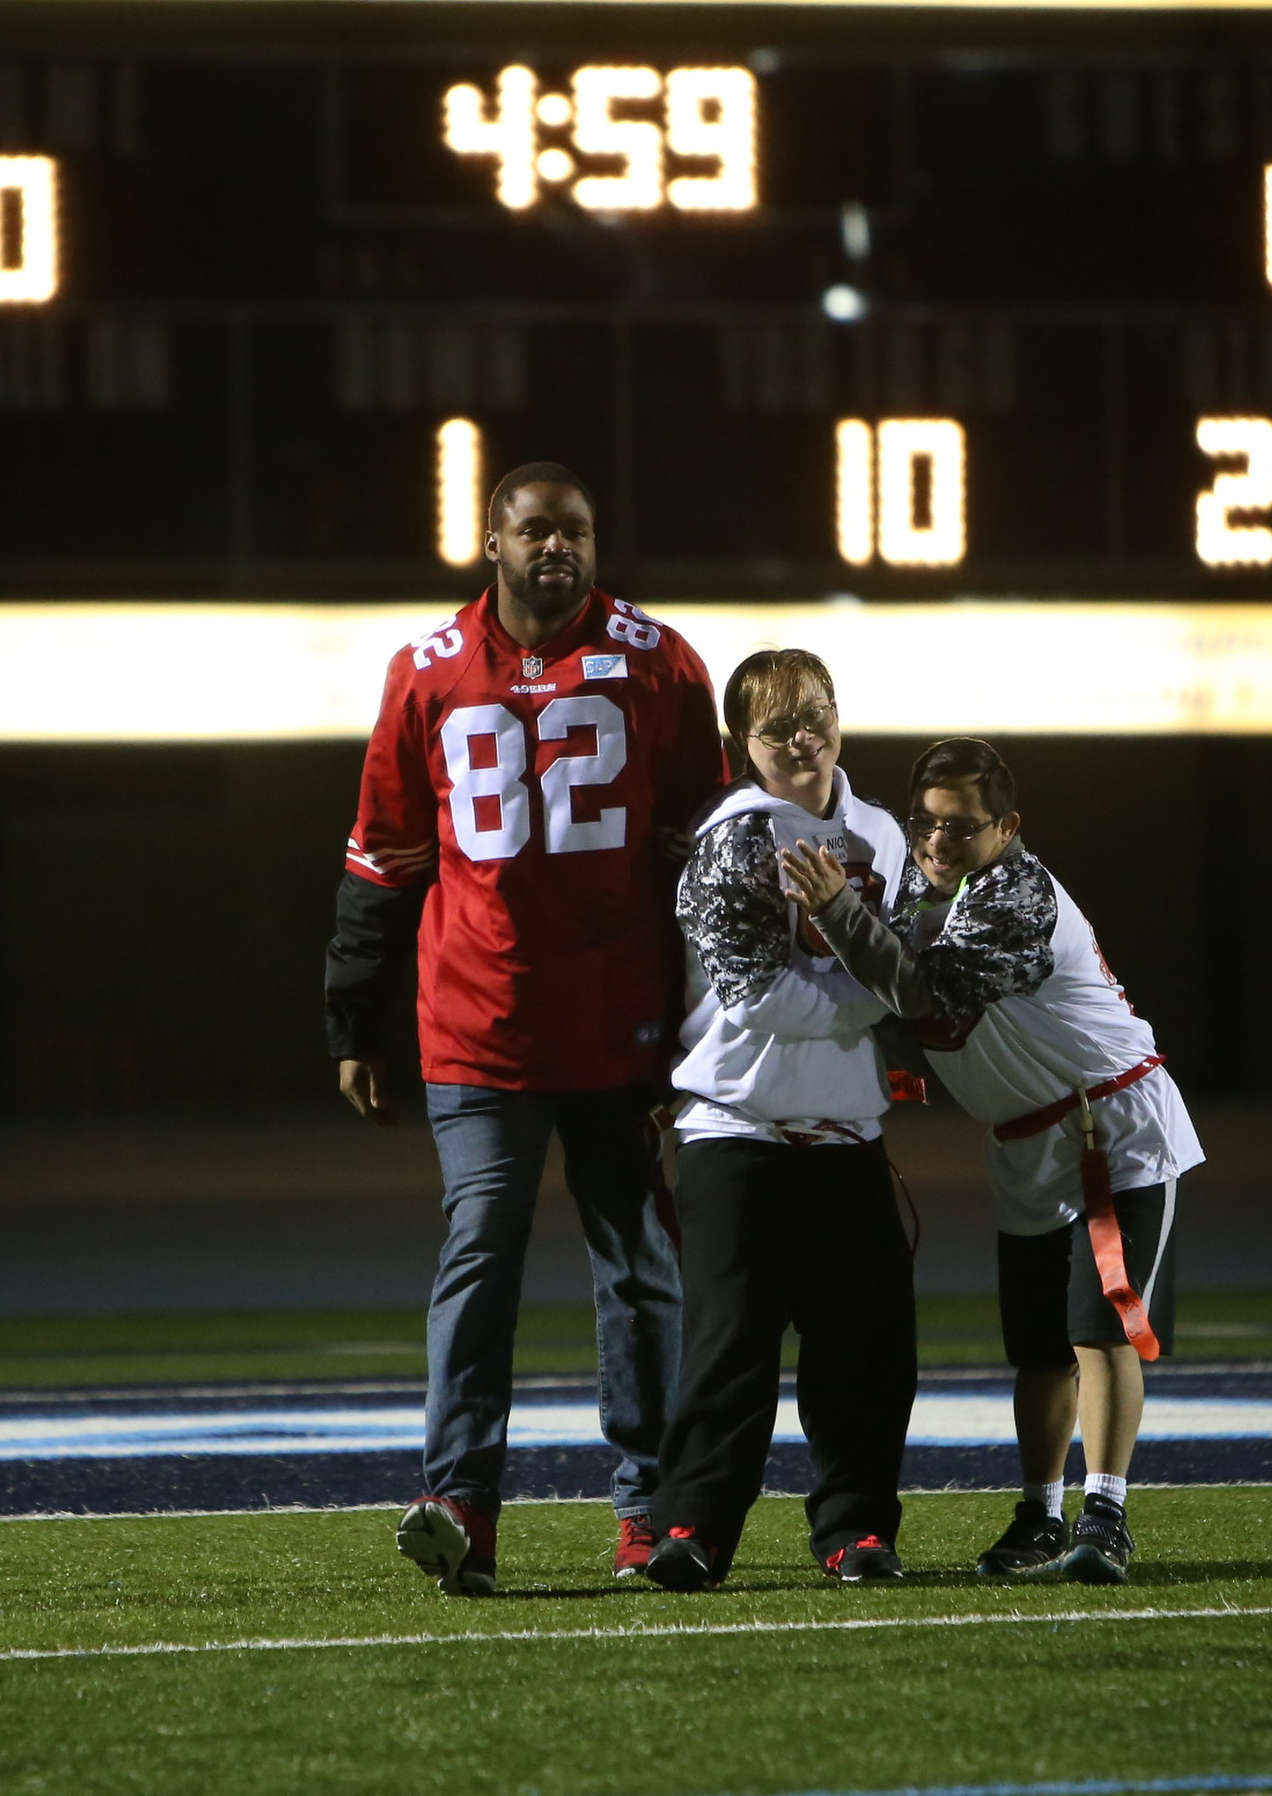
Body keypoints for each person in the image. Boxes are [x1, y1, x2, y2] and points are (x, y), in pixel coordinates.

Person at [326, 461, 727, 1597]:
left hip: (621, 1020)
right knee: (479, 1258)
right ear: (491, 543)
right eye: (538, 530)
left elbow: (706, 848)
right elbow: (382, 851)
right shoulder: (427, 669)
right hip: (479, 1022)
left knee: (642, 1269)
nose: (561, 547)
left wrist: (705, 1011)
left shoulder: (660, 660)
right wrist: (352, 1014)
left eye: (579, 531)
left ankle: (649, 1506)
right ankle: (460, 1501)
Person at [780, 735, 1203, 1586]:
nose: (936, 843)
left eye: (961, 827)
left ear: (1007, 827)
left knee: (1100, 1328)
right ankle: (1041, 1512)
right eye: (925, 825)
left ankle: (1106, 1513)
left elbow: (922, 990)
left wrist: (836, 914)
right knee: (1038, 1348)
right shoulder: (923, 882)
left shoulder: (1016, 892)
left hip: (1107, 1125)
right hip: (1022, 1137)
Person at [642, 650, 917, 1592]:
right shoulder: (731, 836)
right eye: (779, 727)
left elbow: (913, 974)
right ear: (741, 744)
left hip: (847, 1139)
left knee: (868, 1358)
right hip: (737, 1131)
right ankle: (693, 1527)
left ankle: (857, 1532)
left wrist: (878, 983)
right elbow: (761, 997)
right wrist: (873, 991)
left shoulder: (882, 831)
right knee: (727, 1355)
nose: (805, 740)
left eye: (818, 716)